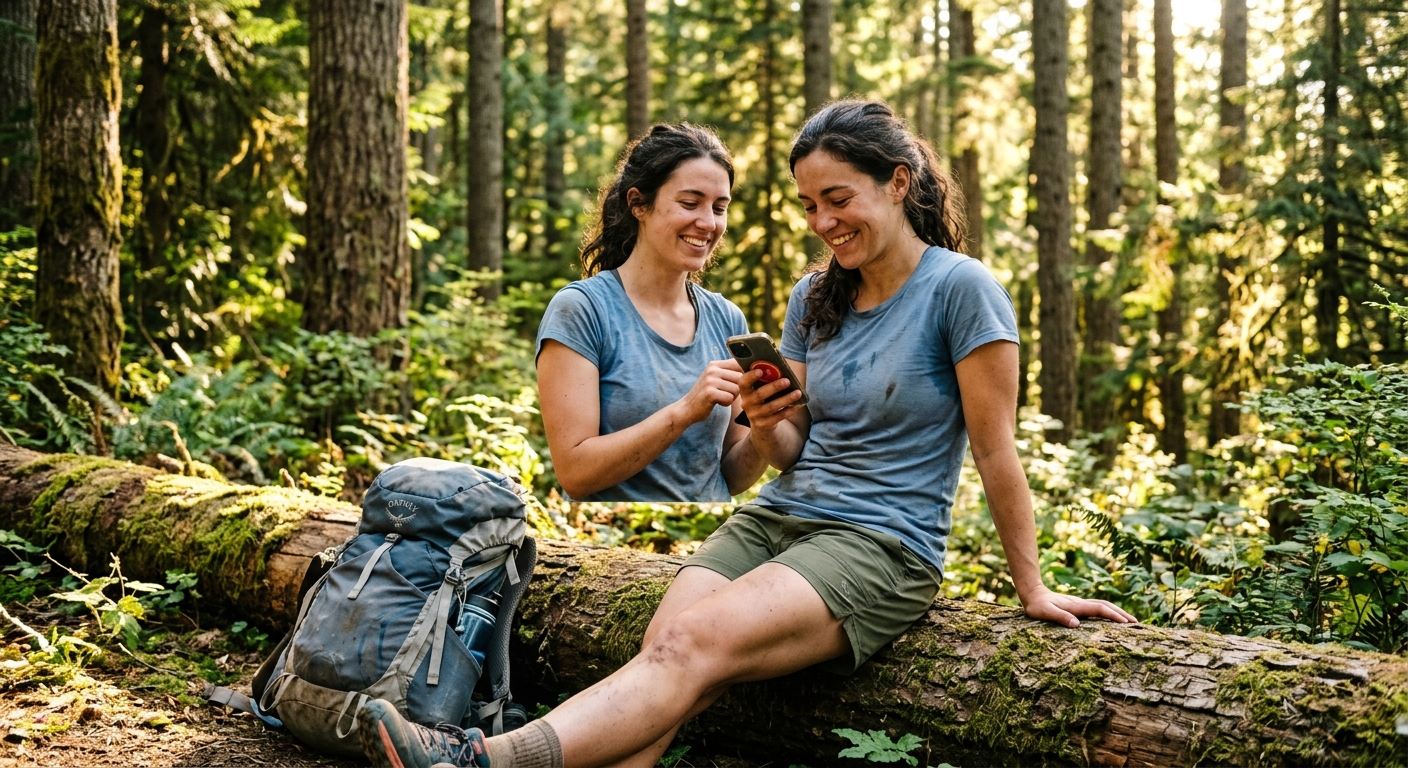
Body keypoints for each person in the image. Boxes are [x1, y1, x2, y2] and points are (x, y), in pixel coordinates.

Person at [355, 100, 1136, 768]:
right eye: (809, 206)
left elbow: (996, 450)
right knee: (668, 650)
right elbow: (791, 449)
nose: (824, 223)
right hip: (777, 517)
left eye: (838, 199)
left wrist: (1032, 587)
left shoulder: (963, 290)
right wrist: (766, 424)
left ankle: (477, 759)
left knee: (691, 645)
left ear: (899, 183)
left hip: (881, 541)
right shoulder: (813, 297)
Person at [533, 123, 767, 502]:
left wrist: (765, 428)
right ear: (638, 204)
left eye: (719, 208)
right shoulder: (582, 310)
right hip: (614, 534)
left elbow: (728, 475)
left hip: (711, 531)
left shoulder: (727, 318)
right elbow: (575, 474)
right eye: (690, 203)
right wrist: (685, 410)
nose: (708, 223)